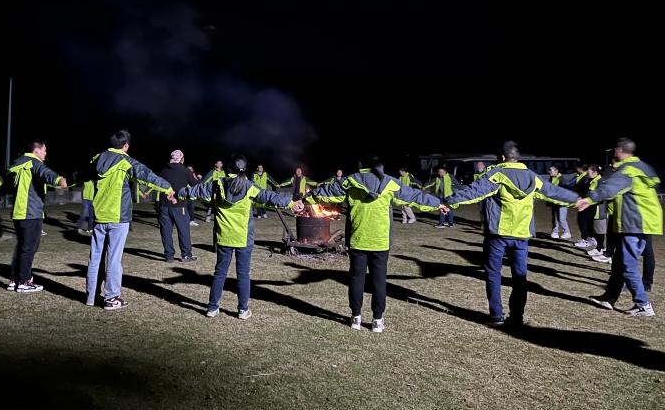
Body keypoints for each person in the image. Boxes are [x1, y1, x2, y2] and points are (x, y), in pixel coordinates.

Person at [445, 141, 580, 328]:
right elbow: (553, 192)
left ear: (502, 157)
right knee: (519, 278)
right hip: (522, 235)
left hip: (498, 235)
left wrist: (449, 202)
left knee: (494, 275)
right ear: (517, 157)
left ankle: (497, 316)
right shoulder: (532, 177)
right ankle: (516, 317)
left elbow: (474, 192)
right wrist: (577, 199)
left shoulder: (497, 174)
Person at [305, 155, 445, 333]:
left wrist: (305, 199)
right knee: (379, 281)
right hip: (380, 241)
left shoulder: (350, 181)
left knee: (356, 279)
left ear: (361, 165)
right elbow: (414, 196)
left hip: (358, 239)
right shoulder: (390, 182)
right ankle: (377, 321)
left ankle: (356, 318)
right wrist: (438, 204)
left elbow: (326, 192)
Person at [178, 154, 302, 319]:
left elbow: (195, 191)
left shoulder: (217, 184)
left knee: (220, 273)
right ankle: (243, 310)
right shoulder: (249, 186)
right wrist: (291, 203)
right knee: (243, 275)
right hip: (244, 238)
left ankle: (212, 308)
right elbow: (269, 196)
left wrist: (177, 194)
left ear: (228, 168)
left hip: (224, 237)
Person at [88, 130, 175, 309]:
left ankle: (91, 296)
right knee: (114, 259)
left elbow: (82, 174)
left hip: (99, 215)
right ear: (126, 145)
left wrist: (61, 181)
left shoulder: (98, 158)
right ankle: (112, 298)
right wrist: (167, 188)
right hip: (118, 216)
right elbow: (147, 175)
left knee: (95, 258)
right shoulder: (125, 161)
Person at [584, 138, 662, 317]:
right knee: (619, 262)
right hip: (639, 222)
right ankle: (609, 298)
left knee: (628, 265)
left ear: (619, 151)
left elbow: (609, 189)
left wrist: (588, 199)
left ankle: (643, 305)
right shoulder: (642, 167)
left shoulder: (628, 170)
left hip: (634, 223)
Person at [6, 140, 67, 293]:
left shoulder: (17, 164)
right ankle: (24, 281)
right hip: (31, 212)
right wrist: (58, 179)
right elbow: (44, 172)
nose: (46, 153)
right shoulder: (33, 162)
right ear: (36, 150)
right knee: (29, 249)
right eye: (44, 150)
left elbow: (7, 186)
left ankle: (14, 279)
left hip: (18, 212)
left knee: (21, 247)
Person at [157, 150, 200, 263]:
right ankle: (186, 254)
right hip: (179, 204)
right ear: (182, 159)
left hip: (164, 204)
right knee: (183, 230)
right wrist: (198, 179)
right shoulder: (185, 170)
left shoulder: (164, 171)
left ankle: (169, 256)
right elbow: (195, 185)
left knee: (166, 231)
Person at [574, 165, 601, 249]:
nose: (587, 173)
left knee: (583, 221)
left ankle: (585, 240)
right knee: (587, 222)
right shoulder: (590, 179)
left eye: (588, 171)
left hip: (590, 205)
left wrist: (583, 198)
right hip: (587, 203)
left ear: (595, 172)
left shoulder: (598, 181)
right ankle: (591, 239)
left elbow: (593, 194)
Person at [74, 154, 100, 236]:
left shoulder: (96, 178)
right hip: (86, 198)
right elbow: (77, 177)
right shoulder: (86, 177)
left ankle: (90, 228)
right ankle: (79, 227)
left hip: (93, 198)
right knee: (84, 213)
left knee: (92, 215)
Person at [548, 165, 572, 239]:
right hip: (555, 202)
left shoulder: (562, 180)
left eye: (551, 170)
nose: (549, 172)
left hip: (562, 202)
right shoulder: (552, 178)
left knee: (562, 218)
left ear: (556, 171)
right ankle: (555, 232)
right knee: (556, 217)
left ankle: (567, 232)